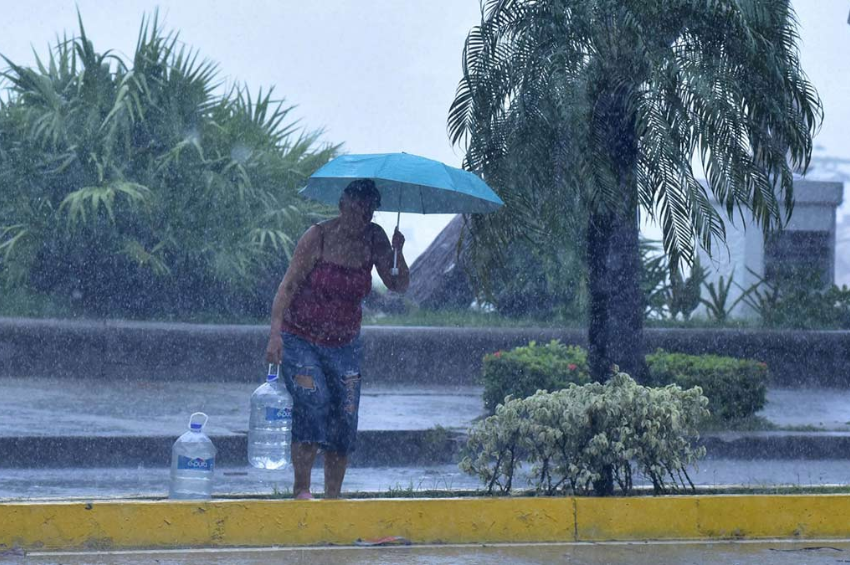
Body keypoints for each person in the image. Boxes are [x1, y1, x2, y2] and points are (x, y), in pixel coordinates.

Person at [265, 179, 409, 499]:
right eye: (358, 207)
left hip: (344, 344)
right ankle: (302, 488)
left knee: (344, 414)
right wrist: (275, 333)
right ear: (342, 205)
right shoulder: (318, 236)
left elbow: (397, 285)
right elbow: (288, 286)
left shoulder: (375, 239)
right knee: (313, 402)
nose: (364, 215)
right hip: (301, 337)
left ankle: (333, 496)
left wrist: (398, 251)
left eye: (371, 209)